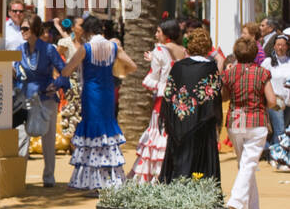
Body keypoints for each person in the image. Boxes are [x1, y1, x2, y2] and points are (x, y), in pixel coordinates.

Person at [60, 15, 136, 190]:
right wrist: (117, 71)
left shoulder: (86, 48)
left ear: (87, 31)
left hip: (91, 94)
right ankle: (110, 179)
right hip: (107, 93)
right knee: (107, 131)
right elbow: (132, 66)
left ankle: (91, 181)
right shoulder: (113, 47)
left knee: (92, 133)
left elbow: (67, 70)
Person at [221, 36, 279, 209]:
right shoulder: (262, 73)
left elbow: (224, 97)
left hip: (235, 119)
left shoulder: (230, 73)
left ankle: (251, 208)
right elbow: (271, 100)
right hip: (256, 120)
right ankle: (236, 202)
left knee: (245, 163)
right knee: (249, 163)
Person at [159, 27, 222, 183]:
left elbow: (169, 95)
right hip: (201, 126)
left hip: (178, 125)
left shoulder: (178, 67)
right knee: (200, 167)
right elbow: (213, 97)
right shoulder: (210, 68)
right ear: (208, 47)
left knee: (178, 164)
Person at [128, 19, 187, 183]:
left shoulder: (160, 50)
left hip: (162, 102)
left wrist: (154, 80)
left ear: (166, 34)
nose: (156, 34)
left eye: (158, 31)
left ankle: (153, 176)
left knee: (156, 137)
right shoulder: (184, 51)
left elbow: (150, 80)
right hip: (179, 102)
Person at [15, 12, 68, 186]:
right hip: (24, 98)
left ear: (35, 30)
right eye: (21, 28)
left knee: (48, 139)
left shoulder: (49, 49)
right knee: (22, 138)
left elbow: (64, 70)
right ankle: (18, 178)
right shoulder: (19, 50)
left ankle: (49, 177)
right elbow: (16, 72)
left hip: (46, 98)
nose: (22, 31)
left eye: (25, 28)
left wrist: (57, 84)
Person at [261, 33, 290, 160]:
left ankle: (273, 152)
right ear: (274, 46)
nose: (280, 48)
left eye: (283, 45)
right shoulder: (268, 62)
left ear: (287, 47)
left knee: (284, 130)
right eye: (278, 45)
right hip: (275, 101)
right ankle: (279, 157)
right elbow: (260, 77)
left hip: (288, 101)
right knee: (280, 130)